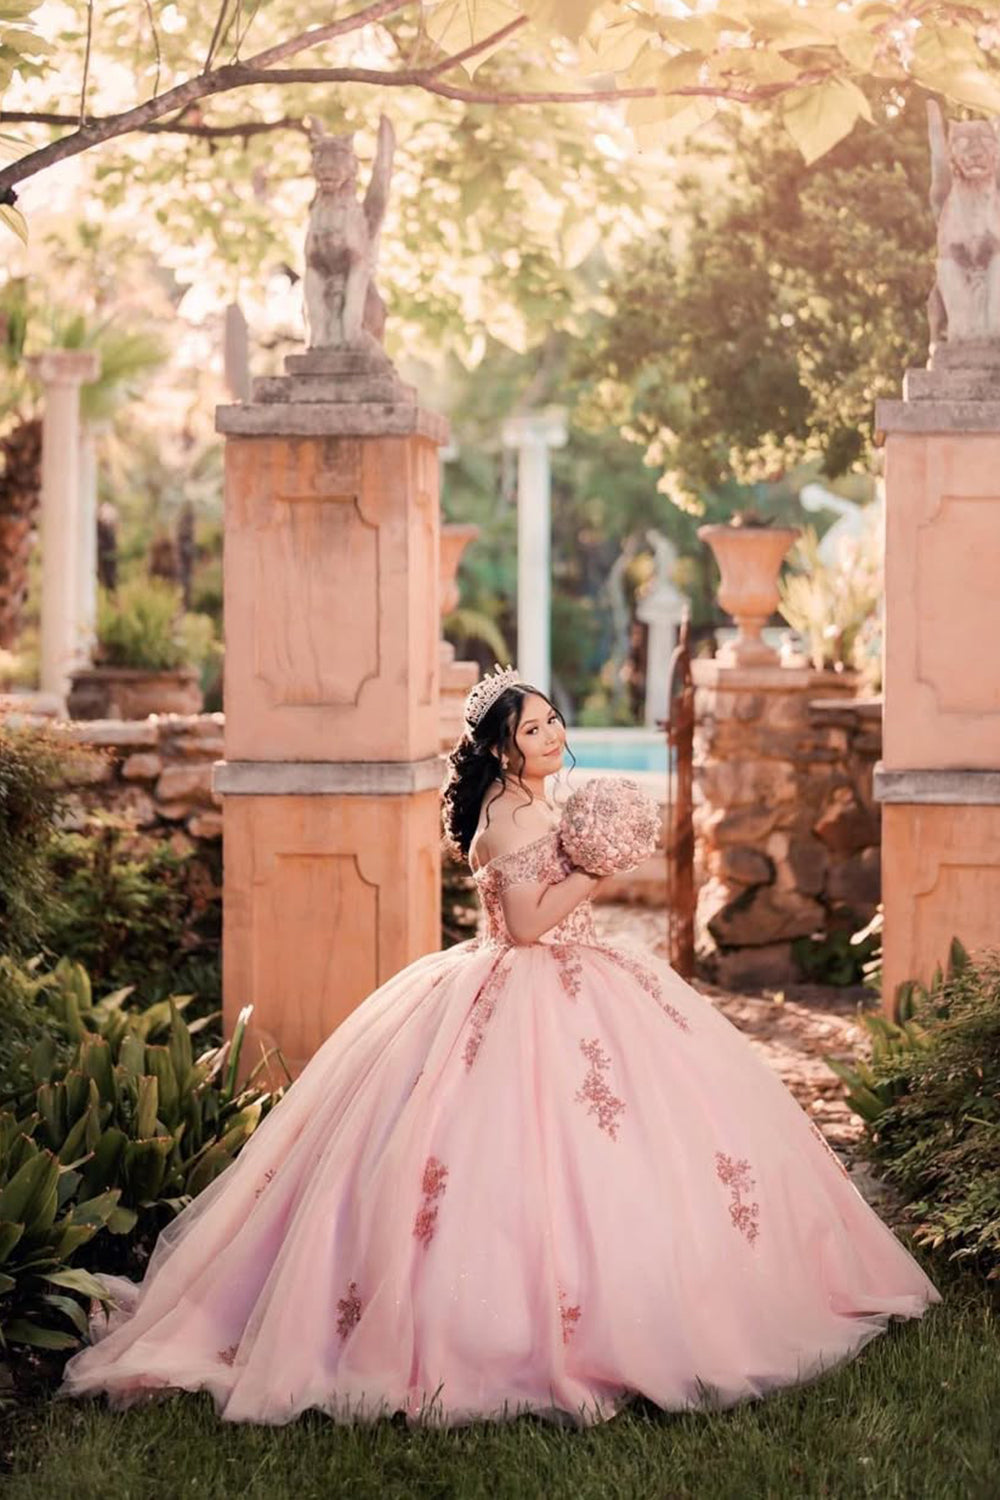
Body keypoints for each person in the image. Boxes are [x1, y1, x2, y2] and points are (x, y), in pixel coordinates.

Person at [61, 666, 938, 1428]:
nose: (553, 734)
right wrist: (597, 872)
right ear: (502, 749)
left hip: (584, 973)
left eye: (553, 719)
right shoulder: (506, 820)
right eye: (533, 727)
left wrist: (589, 856)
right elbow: (522, 929)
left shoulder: (533, 805)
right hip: (524, 983)